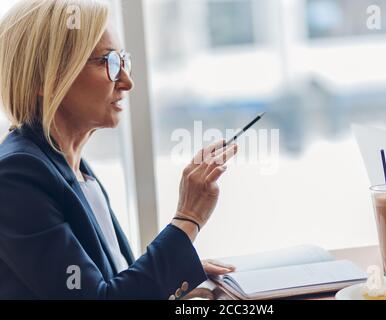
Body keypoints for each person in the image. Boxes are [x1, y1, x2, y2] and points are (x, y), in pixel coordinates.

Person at [0, 0, 237, 299]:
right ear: (45, 78)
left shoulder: (72, 166)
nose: (127, 81)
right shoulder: (16, 175)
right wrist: (188, 217)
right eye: (108, 62)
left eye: (124, 61)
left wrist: (172, 284)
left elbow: (110, 285)